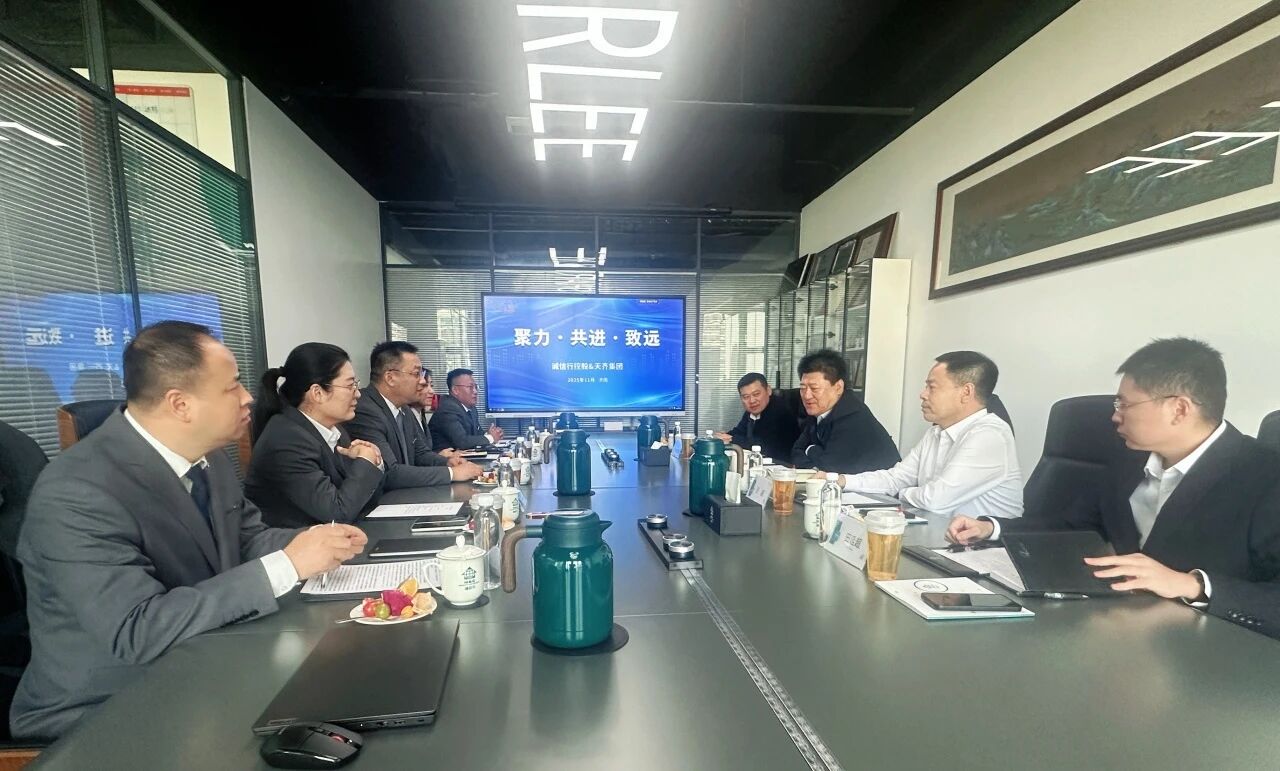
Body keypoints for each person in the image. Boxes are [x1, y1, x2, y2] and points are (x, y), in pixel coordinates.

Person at [10, 322, 366, 739]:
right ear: (180, 404)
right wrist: (288, 564)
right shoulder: (76, 492)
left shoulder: (209, 458)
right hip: (106, 710)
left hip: (205, 659)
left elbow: (247, 538)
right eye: (232, 387)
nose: (248, 397)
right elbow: (136, 630)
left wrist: (319, 543)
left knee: (350, 685)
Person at [947, 338, 1280, 638]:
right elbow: (1075, 527)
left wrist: (1193, 584)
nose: (1114, 417)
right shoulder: (1128, 459)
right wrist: (992, 528)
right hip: (1116, 628)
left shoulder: (1265, 477)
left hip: (1210, 649)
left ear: (1179, 409)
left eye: (1124, 405)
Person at [826, 352, 1022, 519]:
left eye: (932, 387)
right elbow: (896, 478)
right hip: (938, 536)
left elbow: (935, 500)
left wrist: (901, 493)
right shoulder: (936, 432)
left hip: (983, 548)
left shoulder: (989, 435)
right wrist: (840, 480)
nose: (923, 394)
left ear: (966, 392)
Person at [244, 343, 385, 528]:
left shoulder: (335, 431)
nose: (358, 393)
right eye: (350, 385)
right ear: (317, 393)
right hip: (296, 541)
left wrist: (372, 461)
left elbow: (362, 501)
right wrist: (365, 462)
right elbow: (336, 514)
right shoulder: (287, 441)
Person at [347, 342, 482, 488]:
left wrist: (448, 462)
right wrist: (452, 473)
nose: (422, 381)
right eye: (416, 374)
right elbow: (389, 472)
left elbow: (420, 454)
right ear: (390, 378)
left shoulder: (404, 408)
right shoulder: (365, 410)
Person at [791, 349, 899, 474]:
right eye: (803, 388)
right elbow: (796, 451)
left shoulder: (853, 417)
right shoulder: (819, 411)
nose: (807, 395)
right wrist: (815, 458)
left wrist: (810, 449)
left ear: (838, 387)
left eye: (814, 388)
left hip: (880, 485)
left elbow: (829, 468)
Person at [714, 372, 802, 461]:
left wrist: (731, 439)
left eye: (756, 394)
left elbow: (763, 446)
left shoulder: (781, 411)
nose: (752, 401)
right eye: (746, 397)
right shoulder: (752, 411)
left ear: (768, 390)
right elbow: (739, 431)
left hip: (782, 464)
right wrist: (723, 436)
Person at [430, 368, 504, 451]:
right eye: (470, 387)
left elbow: (476, 435)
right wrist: (491, 437)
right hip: (445, 458)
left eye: (476, 387)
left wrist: (489, 434)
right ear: (455, 390)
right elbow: (462, 442)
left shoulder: (471, 409)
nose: (475, 391)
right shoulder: (447, 409)